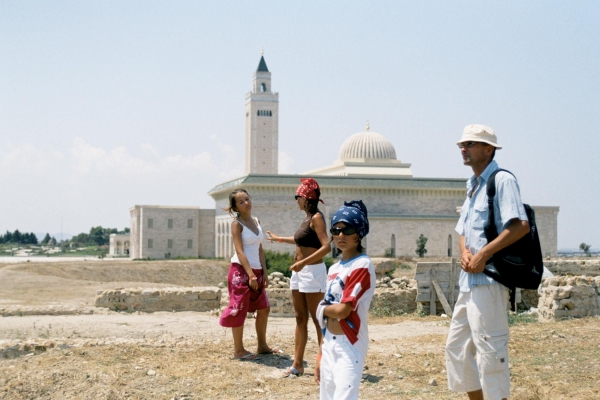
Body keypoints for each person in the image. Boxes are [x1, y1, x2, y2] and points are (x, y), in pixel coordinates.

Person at [446, 124, 530, 400]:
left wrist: (483, 254)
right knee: (457, 350)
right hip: (469, 283)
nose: (463, 148)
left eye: (470, 144)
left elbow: (519, 226)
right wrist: (466, 253)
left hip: (490, 281)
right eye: (463, 144)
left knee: (490, 354)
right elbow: (463, 232)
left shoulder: (502, 181)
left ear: (488, 149)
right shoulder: (473, 186)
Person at [266, 178, 330, 377]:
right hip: (299, 274)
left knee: (318, 320)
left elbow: (326, 246)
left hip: (312, 273)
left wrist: (303, 262)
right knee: (300, 318)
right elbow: (301, 239)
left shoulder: (317, 217)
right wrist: (279, 239)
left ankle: (325, 364)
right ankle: (297, 364)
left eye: (298, 197)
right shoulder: (307, 218)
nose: (296, 201)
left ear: (306, 198)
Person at [315, 200, 376, 400]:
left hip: (349, 344)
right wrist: (320, 352)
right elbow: (331, 309)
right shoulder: (334, 268)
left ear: (359, 233)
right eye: (336, 229)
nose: (340, 235)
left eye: (347, 229)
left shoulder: (362, 265)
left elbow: (343, 310)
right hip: (329, 343)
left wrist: (321, 308)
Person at [219, 189, 279, 360]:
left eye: (247, 199)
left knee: (264, 308)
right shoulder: (236, 224)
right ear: (235, 207)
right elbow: (240, 251)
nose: (246, 203)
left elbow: (259, 248)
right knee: (239, 309)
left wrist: (264, 273)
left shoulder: (256, 221)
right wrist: (250, 275)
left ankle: (262, 346)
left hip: (257, 271)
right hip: (241, 270)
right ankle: (239, 351)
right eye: (241, 202)